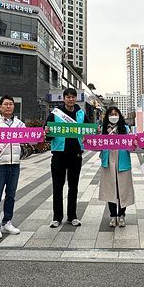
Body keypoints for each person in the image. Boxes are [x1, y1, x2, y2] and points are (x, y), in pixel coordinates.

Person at [44, 87, 88, 227]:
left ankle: (72, 216)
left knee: (73, 187)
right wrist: (47, 132)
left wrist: (93, 133)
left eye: (73, 97)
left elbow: (88, 131)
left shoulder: (81, 113)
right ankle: (57, 217)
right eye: (68, 97)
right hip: (58, 155)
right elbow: (48, 135)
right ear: (64, 98)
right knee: (58, 186)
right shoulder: (55, 113)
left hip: (75, 155)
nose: (70, 99)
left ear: (76, 98)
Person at [0, 95, 24, 239]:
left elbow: (28, 138)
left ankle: (7, 222)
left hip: (15, 164)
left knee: (11, 195)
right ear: (0, 107)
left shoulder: (19, 124)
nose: (8, 106)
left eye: (11, 104)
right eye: (6, 104)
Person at [98, 107, 134, 227]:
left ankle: (122, 215)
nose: (114, 116)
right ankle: (113, 215)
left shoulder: (126, 129)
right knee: (110, 189)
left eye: (116, 114)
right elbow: (97, 144)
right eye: (111, 114)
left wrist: (134, 143)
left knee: (123, 190)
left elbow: (131, 147)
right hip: (108, 162)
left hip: (122, 161)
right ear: (107, 116)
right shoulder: (103, 129)